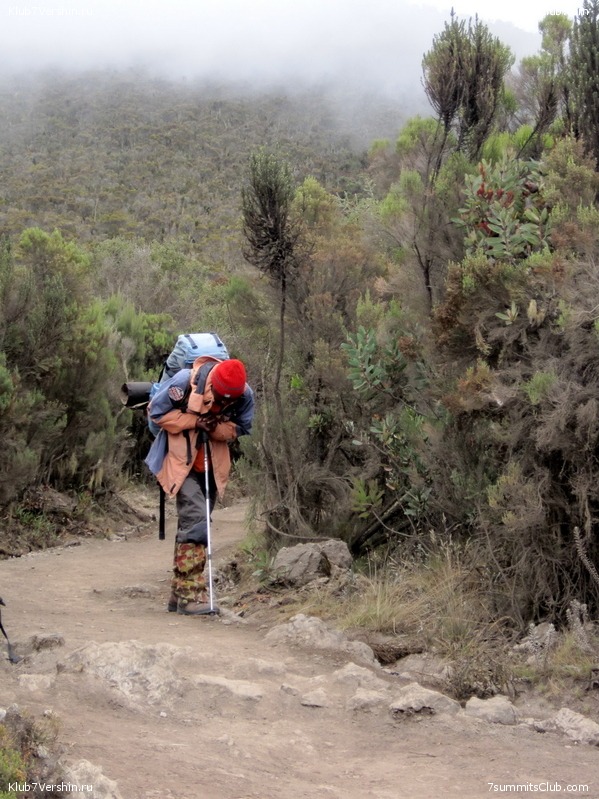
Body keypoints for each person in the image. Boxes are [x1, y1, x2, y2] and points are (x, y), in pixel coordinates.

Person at [145, 356, 254, 615]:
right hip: (181, 463)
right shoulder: (185, 382)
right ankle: (191, 596)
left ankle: (178, 593)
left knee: (193, 526)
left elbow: (243, 426)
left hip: (212, 467)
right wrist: (194, 421)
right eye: (220, 397)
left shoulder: (245, 395)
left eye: (230, 401)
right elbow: (157, 413)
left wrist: (218, 428)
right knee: (196, 522)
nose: (224, 403)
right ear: (213, 383)